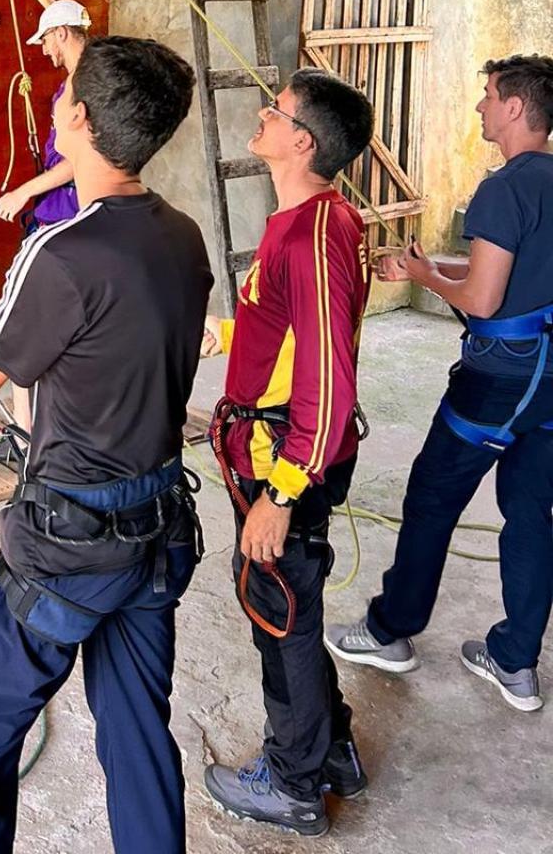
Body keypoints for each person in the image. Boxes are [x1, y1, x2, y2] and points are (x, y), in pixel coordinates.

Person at [0, 35, 213, 854]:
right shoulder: (180, 236)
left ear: (76, 116)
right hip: (153, 528)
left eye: (63, 88)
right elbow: (46, 344)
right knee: (139, 738)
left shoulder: (61, 249)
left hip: (70, 547)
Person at [328, 54, 553, 714]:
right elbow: (513, 271)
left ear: (516, 108)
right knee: (529, 511)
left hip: (499, 379)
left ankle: (389, 630)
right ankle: (515, 662)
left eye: (488, 96)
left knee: (430, 499)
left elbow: (483, 298)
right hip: (547, 384)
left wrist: (427, 278)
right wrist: (430, 264)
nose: (481, 106)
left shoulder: (503, 188)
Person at [202, 69, 374, 838]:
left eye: (275, 111)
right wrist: (235, 333)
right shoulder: (313, 221)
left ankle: (294, 779)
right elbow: (296, 332)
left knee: (283, 619)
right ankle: (332, 751)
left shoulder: (310, 235)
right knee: (290, 608)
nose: (263, 117)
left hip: (286, 462)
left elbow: (331, 382)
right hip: (283, 451)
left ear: (300, 142)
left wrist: (281, 491)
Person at [0, 0, 91, 438]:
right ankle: (31, 427)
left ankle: (27, 432)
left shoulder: (85, 85)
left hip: (62, 210)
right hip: (61, 209)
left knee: (27, 318)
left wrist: (24, 192)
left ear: (64, 34)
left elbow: (82, 160)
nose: (44, 52)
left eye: (48, 41)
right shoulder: (88, 75)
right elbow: (76, 43)